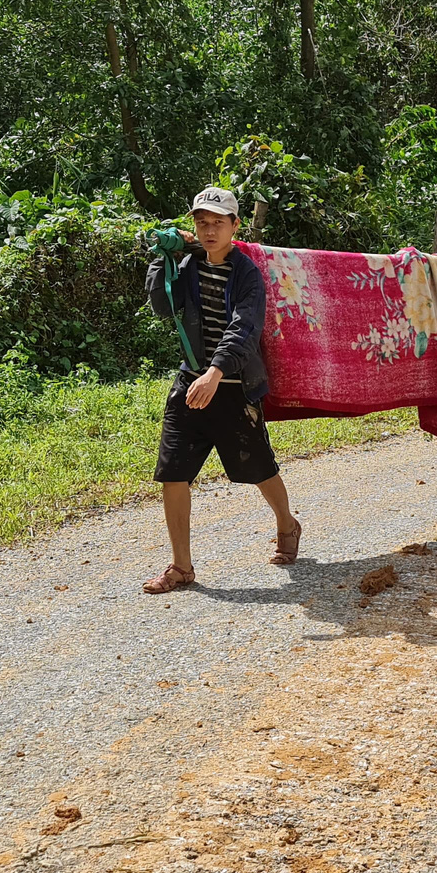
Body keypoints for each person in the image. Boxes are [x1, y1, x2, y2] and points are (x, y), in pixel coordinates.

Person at [143, 186, 302, 593]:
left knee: (258, 468)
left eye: (218, 222)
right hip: (191, 381)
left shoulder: (248, 274)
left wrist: (215, 372)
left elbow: (244, 329)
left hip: (231, 386)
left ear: (234, 226)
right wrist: (164, 259)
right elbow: (163, 306)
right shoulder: (189, 265)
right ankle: (181, 567)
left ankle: (287, 524)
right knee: (173, 473)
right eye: (202, 222)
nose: (209, 230)